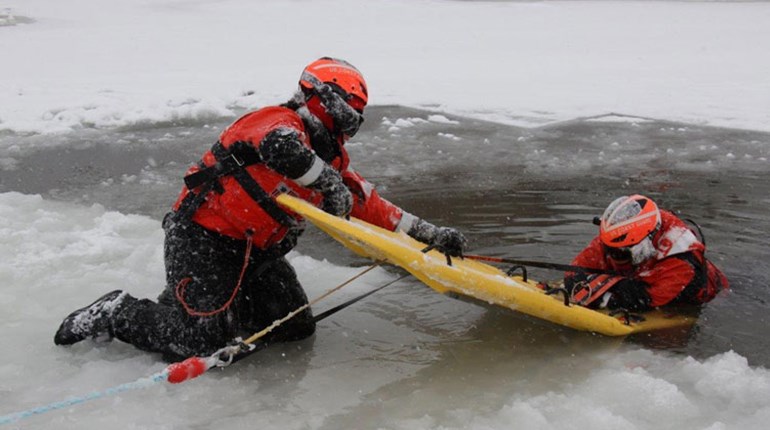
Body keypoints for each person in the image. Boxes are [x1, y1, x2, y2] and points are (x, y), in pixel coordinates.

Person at [54, 57, 467, 361]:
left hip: (256, 255)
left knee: (294, 328)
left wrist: (429, 234)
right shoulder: (276, 121)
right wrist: (326, 182)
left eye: (357, 112)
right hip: (203, 242)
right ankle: (116, 311)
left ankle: (199, 309)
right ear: (323, 99)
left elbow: (371, 207)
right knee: (198, 343)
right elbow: (280, 148)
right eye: (349, 108)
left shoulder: (332, 158)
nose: (351, 119)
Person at [564, 194, 728, 312]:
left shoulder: (682, 262)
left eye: (620, 253)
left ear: (643, 244)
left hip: (704, 300)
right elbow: (575, 270)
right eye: (609, 249)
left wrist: (601, 292)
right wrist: (586, 284)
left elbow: (645, 299)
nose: (612, 256)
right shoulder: (620, 234)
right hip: (643, 280)